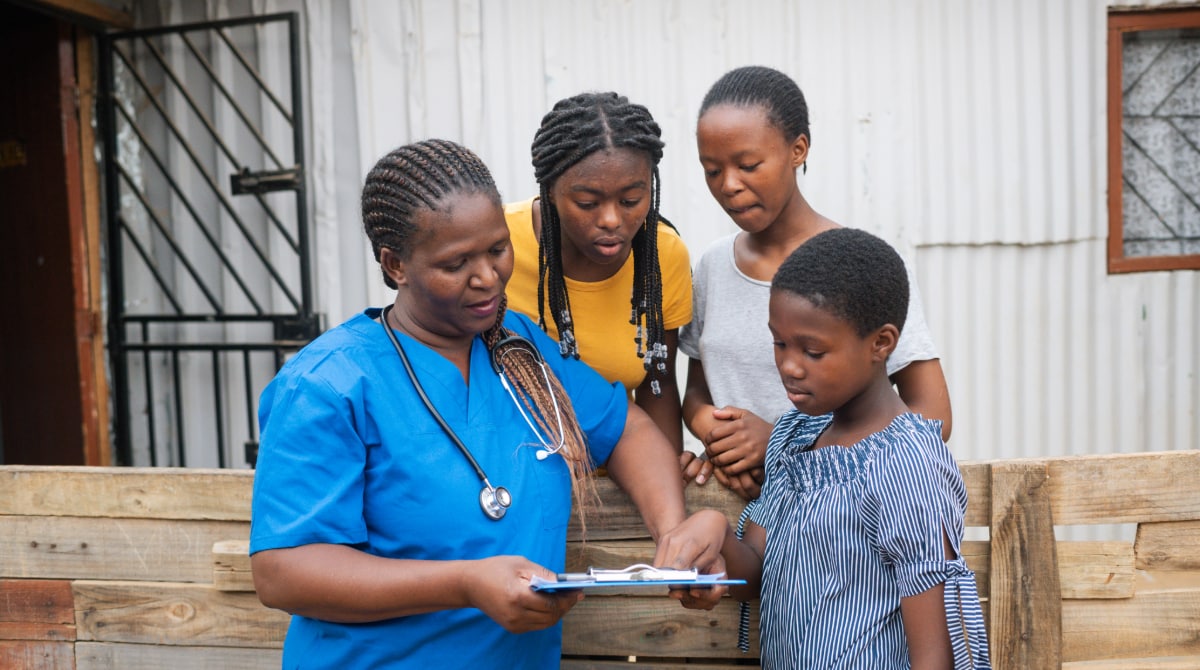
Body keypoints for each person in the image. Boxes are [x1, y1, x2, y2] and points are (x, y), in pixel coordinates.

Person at [249, 139, 724, 669]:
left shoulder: (517, 347)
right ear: (395, 264)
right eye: (456, 263)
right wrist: (466, 583)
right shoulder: (328, 383)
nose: (487, 277)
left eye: (497, 249)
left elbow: (625, 428)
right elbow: (283, 571)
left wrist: (674, 537)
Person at [667, 228, 990, 668]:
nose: (789, 366)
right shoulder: (794, 438)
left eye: (813, 351)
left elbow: (936, 655)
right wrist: (717, 535)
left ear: (881, 343)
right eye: (779, 343)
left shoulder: (908, 464)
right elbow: (760, 568)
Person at [679, 65, 952, 501]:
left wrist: (780, 445)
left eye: (748, 165)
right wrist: (713, 430)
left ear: (798, 149)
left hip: (835, 525)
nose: (729, 185)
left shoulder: (857, 264)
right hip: (737, 514)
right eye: (712, 170)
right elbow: (696, 391)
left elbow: (932, 418)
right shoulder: (712, 267)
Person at [504, 91, 692, 455]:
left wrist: (668, 474)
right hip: (516, 471)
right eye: (587, 203)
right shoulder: (497, 244)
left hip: (625, 474)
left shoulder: (663, 255)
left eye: (631, 201)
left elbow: (659, 381)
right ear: (550, 188)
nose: (611, 220)